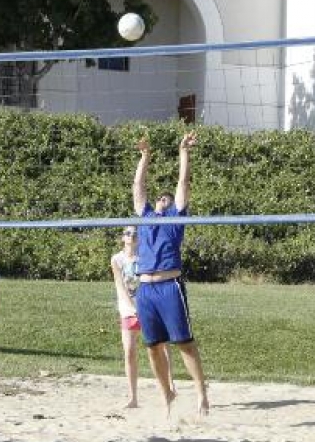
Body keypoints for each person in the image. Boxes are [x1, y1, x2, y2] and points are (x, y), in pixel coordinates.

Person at [132, 131, 209, 417]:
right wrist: (145, 157)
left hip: (169, 286)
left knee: (184, 343)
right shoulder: (145, 216)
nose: (164, 198)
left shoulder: (176, 219)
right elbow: (138, 186)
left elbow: (182, 182)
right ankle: (168, 395)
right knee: (153, 347)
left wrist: (184, 152)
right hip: (145, 289)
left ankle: (202, 392)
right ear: (155, 203)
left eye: (168, 198)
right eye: (160, 197)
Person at [111, 226, 174, 408]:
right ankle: (133, 397)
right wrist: (132, 307)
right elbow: (120, 286)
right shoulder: (117, 259)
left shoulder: (145, 256)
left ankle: (169, 389)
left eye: (135, 233)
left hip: (149, 307)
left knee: (160, 349)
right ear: (123, 237)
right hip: (128, 310)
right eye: (128, 233)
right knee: (129, 351)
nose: (132, 236)